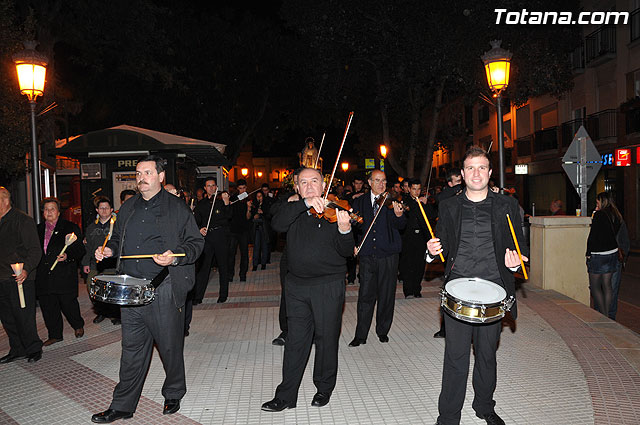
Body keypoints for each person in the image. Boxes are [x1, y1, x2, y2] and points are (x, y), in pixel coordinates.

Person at [91, 155, 204, 423]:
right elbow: (117, 239)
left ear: (161, 177)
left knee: (169, 346)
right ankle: (122, 405)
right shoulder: (128, 207)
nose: (141, 178)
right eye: (139, 173)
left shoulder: (177, 207)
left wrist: (175, 256)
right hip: (131, 290)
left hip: (163, 287)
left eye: (148, 173)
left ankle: (174, 391)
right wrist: (108, 249)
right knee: (131, 350)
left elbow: (196, 243)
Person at [426, 146, 528, 425]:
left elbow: (519, 245)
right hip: (457, 290)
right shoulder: (448, 206)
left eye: (482, 167)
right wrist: (431, 251)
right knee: (455, 357)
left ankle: (484, 406)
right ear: (462, 173)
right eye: (470, 168)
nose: (476, 173)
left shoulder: (506, 205)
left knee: (486, 355)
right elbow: (441, 244)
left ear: (490, 172)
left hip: (494, 290)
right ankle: (448, 416)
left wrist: (516, 262)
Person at [261, 167, 354, 411]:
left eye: (314, 181)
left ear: (324, 185)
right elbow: (277, 223)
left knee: (326, 338)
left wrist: (345, 231)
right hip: (296, 286)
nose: (310, 186)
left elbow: (346, 252)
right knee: (295, 341)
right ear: (297, 187)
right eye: (304, 182)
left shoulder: (337, 211)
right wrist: (304, 203)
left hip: (328, 285)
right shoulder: (292, 210)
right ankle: (286, 395)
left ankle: (324, 388)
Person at [348, 169, 406, 347]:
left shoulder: (393, 202)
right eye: (377, 180)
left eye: (384, 181)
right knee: (365, 295)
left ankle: (382, 331)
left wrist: (399, 215)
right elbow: (354, 226)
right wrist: (354, 241)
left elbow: (401, 225)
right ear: (369, 182)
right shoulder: (359, 202)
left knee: (387, 295)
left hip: (388, 255)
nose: (381, 184)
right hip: (367, 255)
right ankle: (361, 335)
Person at [0, 187, 43, 363]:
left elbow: (35, 250)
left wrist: (26, 269)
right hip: (1, 278)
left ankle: (33, 348)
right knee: (7, 318)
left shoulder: (22, 220)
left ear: (5, 200)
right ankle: (17, 348)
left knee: (24, 316)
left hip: (19, 278)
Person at [36, 197, 86, 346]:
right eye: (46, 209)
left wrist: (68, 256)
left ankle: (78, 325)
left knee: (68, 303)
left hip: (64, 274)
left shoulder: (69, 227)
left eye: (52, 209)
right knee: (48, 306)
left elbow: (80, 249)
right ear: (43, 212)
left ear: (58, 212)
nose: (49, 212)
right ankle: (55, 334)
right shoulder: (37, 229)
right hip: (44, 275)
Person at [270, 168, 303, 346]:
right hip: (290, 254)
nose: (302, 185)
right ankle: (286, 330)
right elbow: (273, 211)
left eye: (306, 181)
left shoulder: (319, 199)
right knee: (288, 293)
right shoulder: (288, 198)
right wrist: (291, 202)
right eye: (299, 182)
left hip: (313, 257)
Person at [191, 179, 231, 305]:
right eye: (208, 186)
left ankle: (223, 295)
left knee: (223, 266)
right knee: (204, 267)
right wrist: (199, 229)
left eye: (213, 185)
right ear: (205, 188)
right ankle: (198, 296)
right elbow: (196, 221)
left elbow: (229, 216)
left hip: (220, 236)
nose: (211, 188)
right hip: (207, 238)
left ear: (216, 187)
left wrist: (227, 203)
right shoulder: (201, 204)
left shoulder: (220, 202)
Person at [82, 196, 120, 325]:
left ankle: (114, 314)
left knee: (113, 290)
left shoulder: (117, 227)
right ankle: (101, 312)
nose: (104, 211)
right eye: (101, 208)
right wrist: (85, 262)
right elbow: (87, 247)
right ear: (97, 210)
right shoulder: (91, 227)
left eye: (107, 208)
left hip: (112, 266)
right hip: (95, 265)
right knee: (92, 288)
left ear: (111, 210)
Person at [586, 191, 622, 318]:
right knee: (607, 286)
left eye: (597, 202)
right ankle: (608, 315)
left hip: (598, 254)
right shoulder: (616, 215)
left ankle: (603, 315)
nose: (597, 204)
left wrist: (588, 253)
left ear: (602, 201)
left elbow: (593, 236)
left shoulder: (599, 215)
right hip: (612, 253)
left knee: (595, 287)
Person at [400, 179, 433, 299]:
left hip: (421, 237)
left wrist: (425, 203)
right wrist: (419, 203)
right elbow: (409, 210)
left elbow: (431, 216)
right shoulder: (405, 200)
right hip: (408, 237)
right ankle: (408, 290)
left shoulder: (423, 201)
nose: (416, 191)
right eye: (414, 189)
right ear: (409, 189)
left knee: (420, 264)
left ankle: (417, 289)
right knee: (408, 264)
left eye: (419, 189)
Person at [228, 179, 252, 282]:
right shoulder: (233, 198)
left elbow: (248, 217)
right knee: (231, 253)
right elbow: (229, 215)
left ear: (246, 188)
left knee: (244, 253)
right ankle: (230, 275)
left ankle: (243, 274)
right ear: (237, 188)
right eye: (240, 188)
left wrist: (248, 208)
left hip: (244, 230)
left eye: (244, 188)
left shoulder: (249, 198)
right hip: (233, 230)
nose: (242, 190)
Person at [251, 191, 271, 271]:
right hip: (256, 228)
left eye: (260, 196)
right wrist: (255, 214)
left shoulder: (266, 205)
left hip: (264, 227)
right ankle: (255, 264)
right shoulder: (254, 205)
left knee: (264, 246)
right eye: (257, 196)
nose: (259, 198)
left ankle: (263, 263)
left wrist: (263, 213)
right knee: (256, 246)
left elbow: (269, 216)